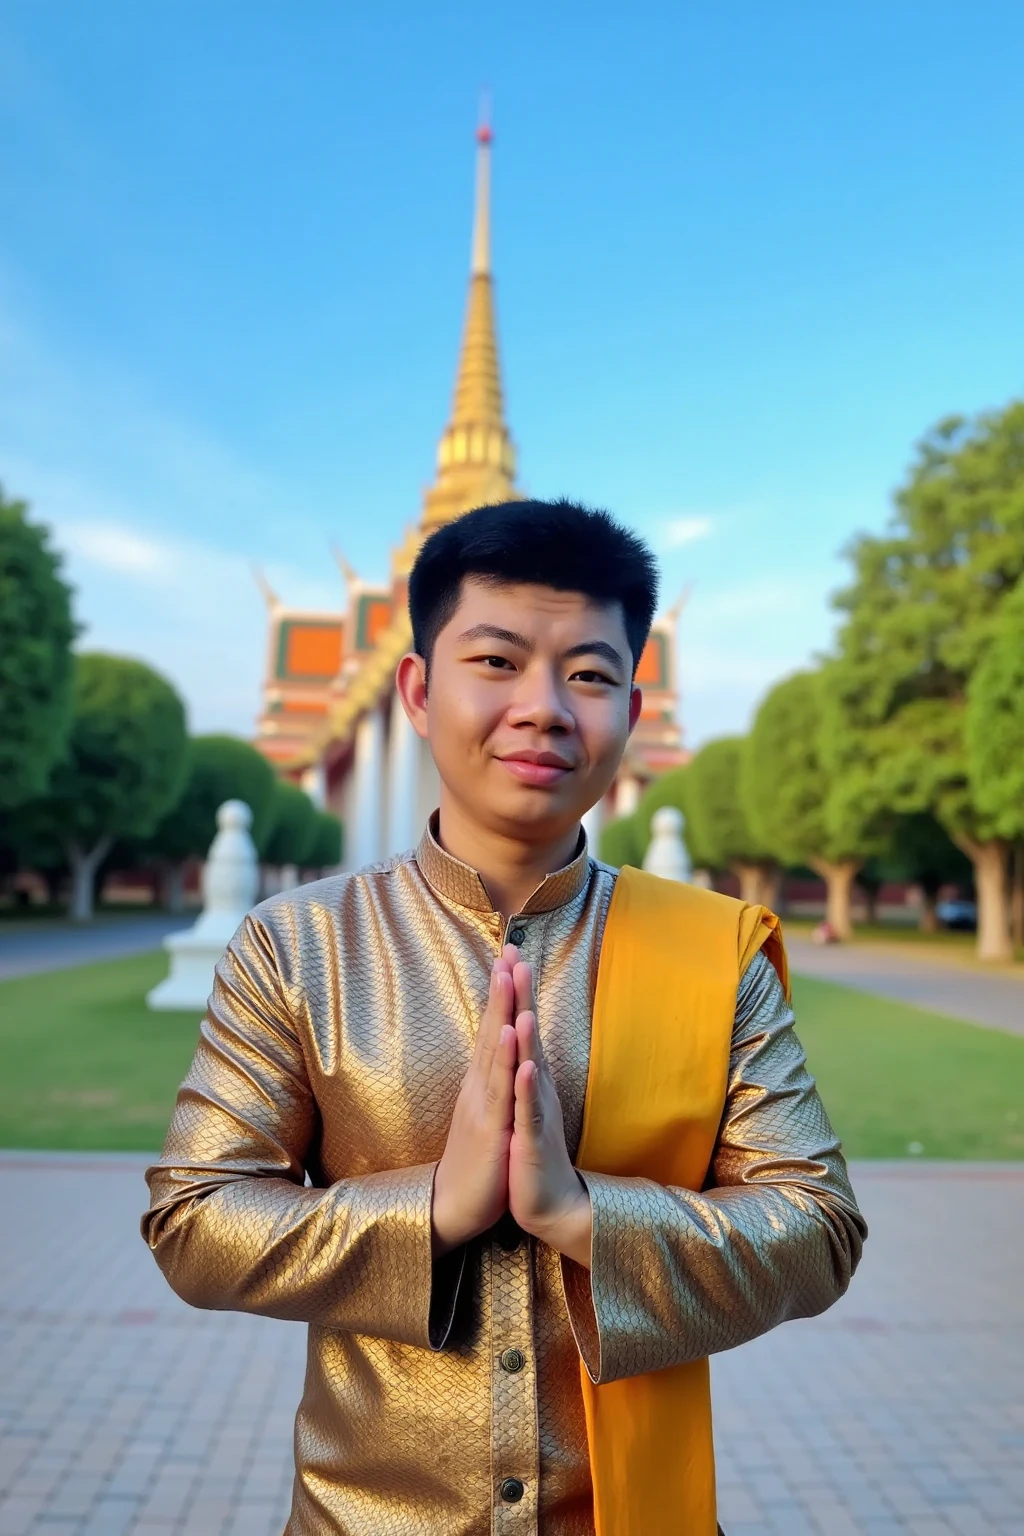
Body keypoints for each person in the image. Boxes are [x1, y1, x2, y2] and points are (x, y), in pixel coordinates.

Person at [142, 499, 866, 1536]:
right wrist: (432, 1211)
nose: (544, 708)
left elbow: (818, 1230)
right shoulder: (298, 945)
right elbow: (194, 1221)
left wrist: (582, 1216)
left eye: (588, 674)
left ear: (628, 704)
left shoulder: (712, 952)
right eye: (496, 662)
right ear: (418, 691)